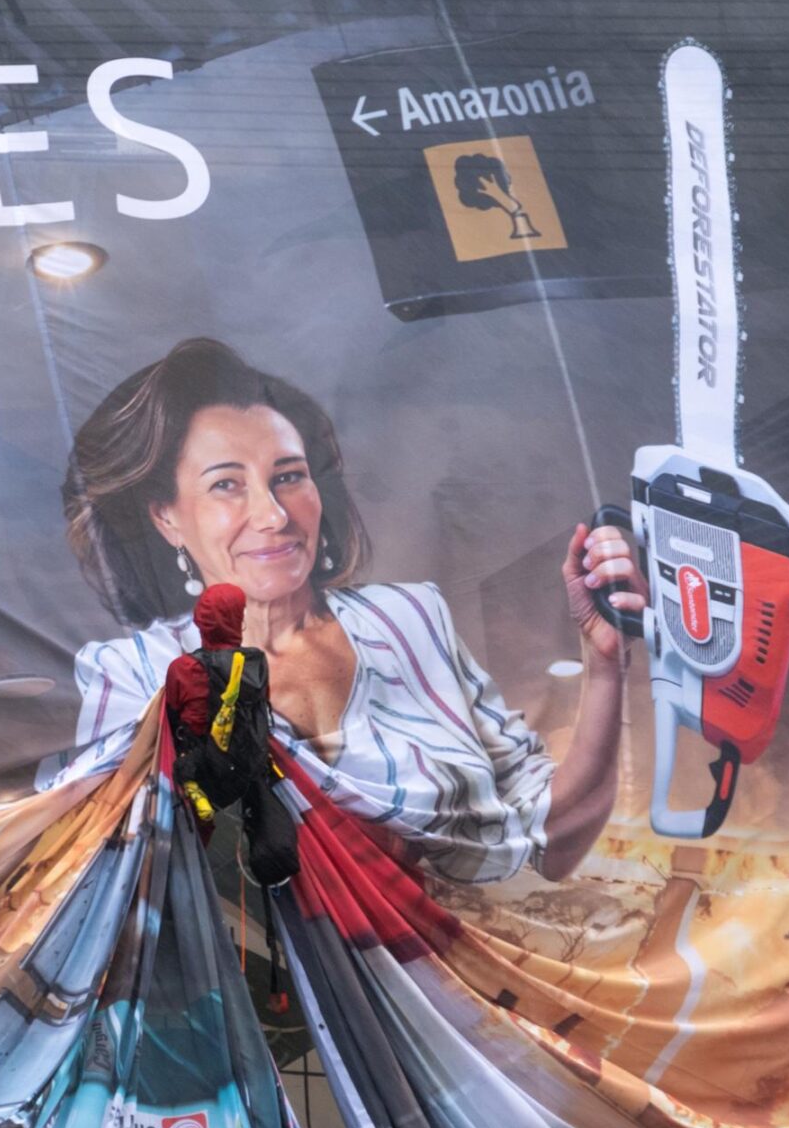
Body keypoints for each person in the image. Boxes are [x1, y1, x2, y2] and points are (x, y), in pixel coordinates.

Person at [50, 337, 642, 884]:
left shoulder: (410, 619)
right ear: (167, 517)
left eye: (288, 477)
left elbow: (553, 842)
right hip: (285, 996)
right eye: (227, 485)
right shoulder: (134, 676)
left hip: (488, 978)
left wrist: (605, 661)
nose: (274, 515)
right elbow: (132, 888)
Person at [162, 583, 298, 885]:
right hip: (245, 777)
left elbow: (170, 721)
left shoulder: (183, 669)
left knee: (185, 859)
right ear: (238, 620)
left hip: (200, 779)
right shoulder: (256, 664)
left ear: (200, 621)